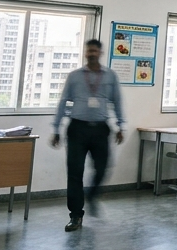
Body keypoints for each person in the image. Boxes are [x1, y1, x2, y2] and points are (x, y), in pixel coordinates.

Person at [51, 38, 125, 232]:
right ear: (85, 53)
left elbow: (117, 102)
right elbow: (63, 101)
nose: (91, 54)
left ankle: (91, 195)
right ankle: (75, 215)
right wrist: (56, 128)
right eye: (89, 51)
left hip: (101, 129)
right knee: (75, 173)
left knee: (102, 168)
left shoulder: (110, 76)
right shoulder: (75, 76)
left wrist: (120, 126)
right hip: (77, 129)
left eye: (95, 51)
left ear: (100, 53)